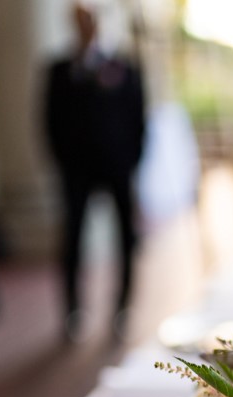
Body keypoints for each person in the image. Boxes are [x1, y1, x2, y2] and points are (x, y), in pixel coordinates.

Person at [44, 2, 145, 343]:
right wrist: (62, 162)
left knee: (126, 237)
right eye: (79, 19)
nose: (86, 25)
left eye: (91, 18)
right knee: (72, 239)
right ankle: (73, 308)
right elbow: (49, 121)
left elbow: (138, 117)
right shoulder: (60, 68)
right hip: (76, 169)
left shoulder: (123, 65)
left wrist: (131, 161)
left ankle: (122, 306)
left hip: (117, 165)